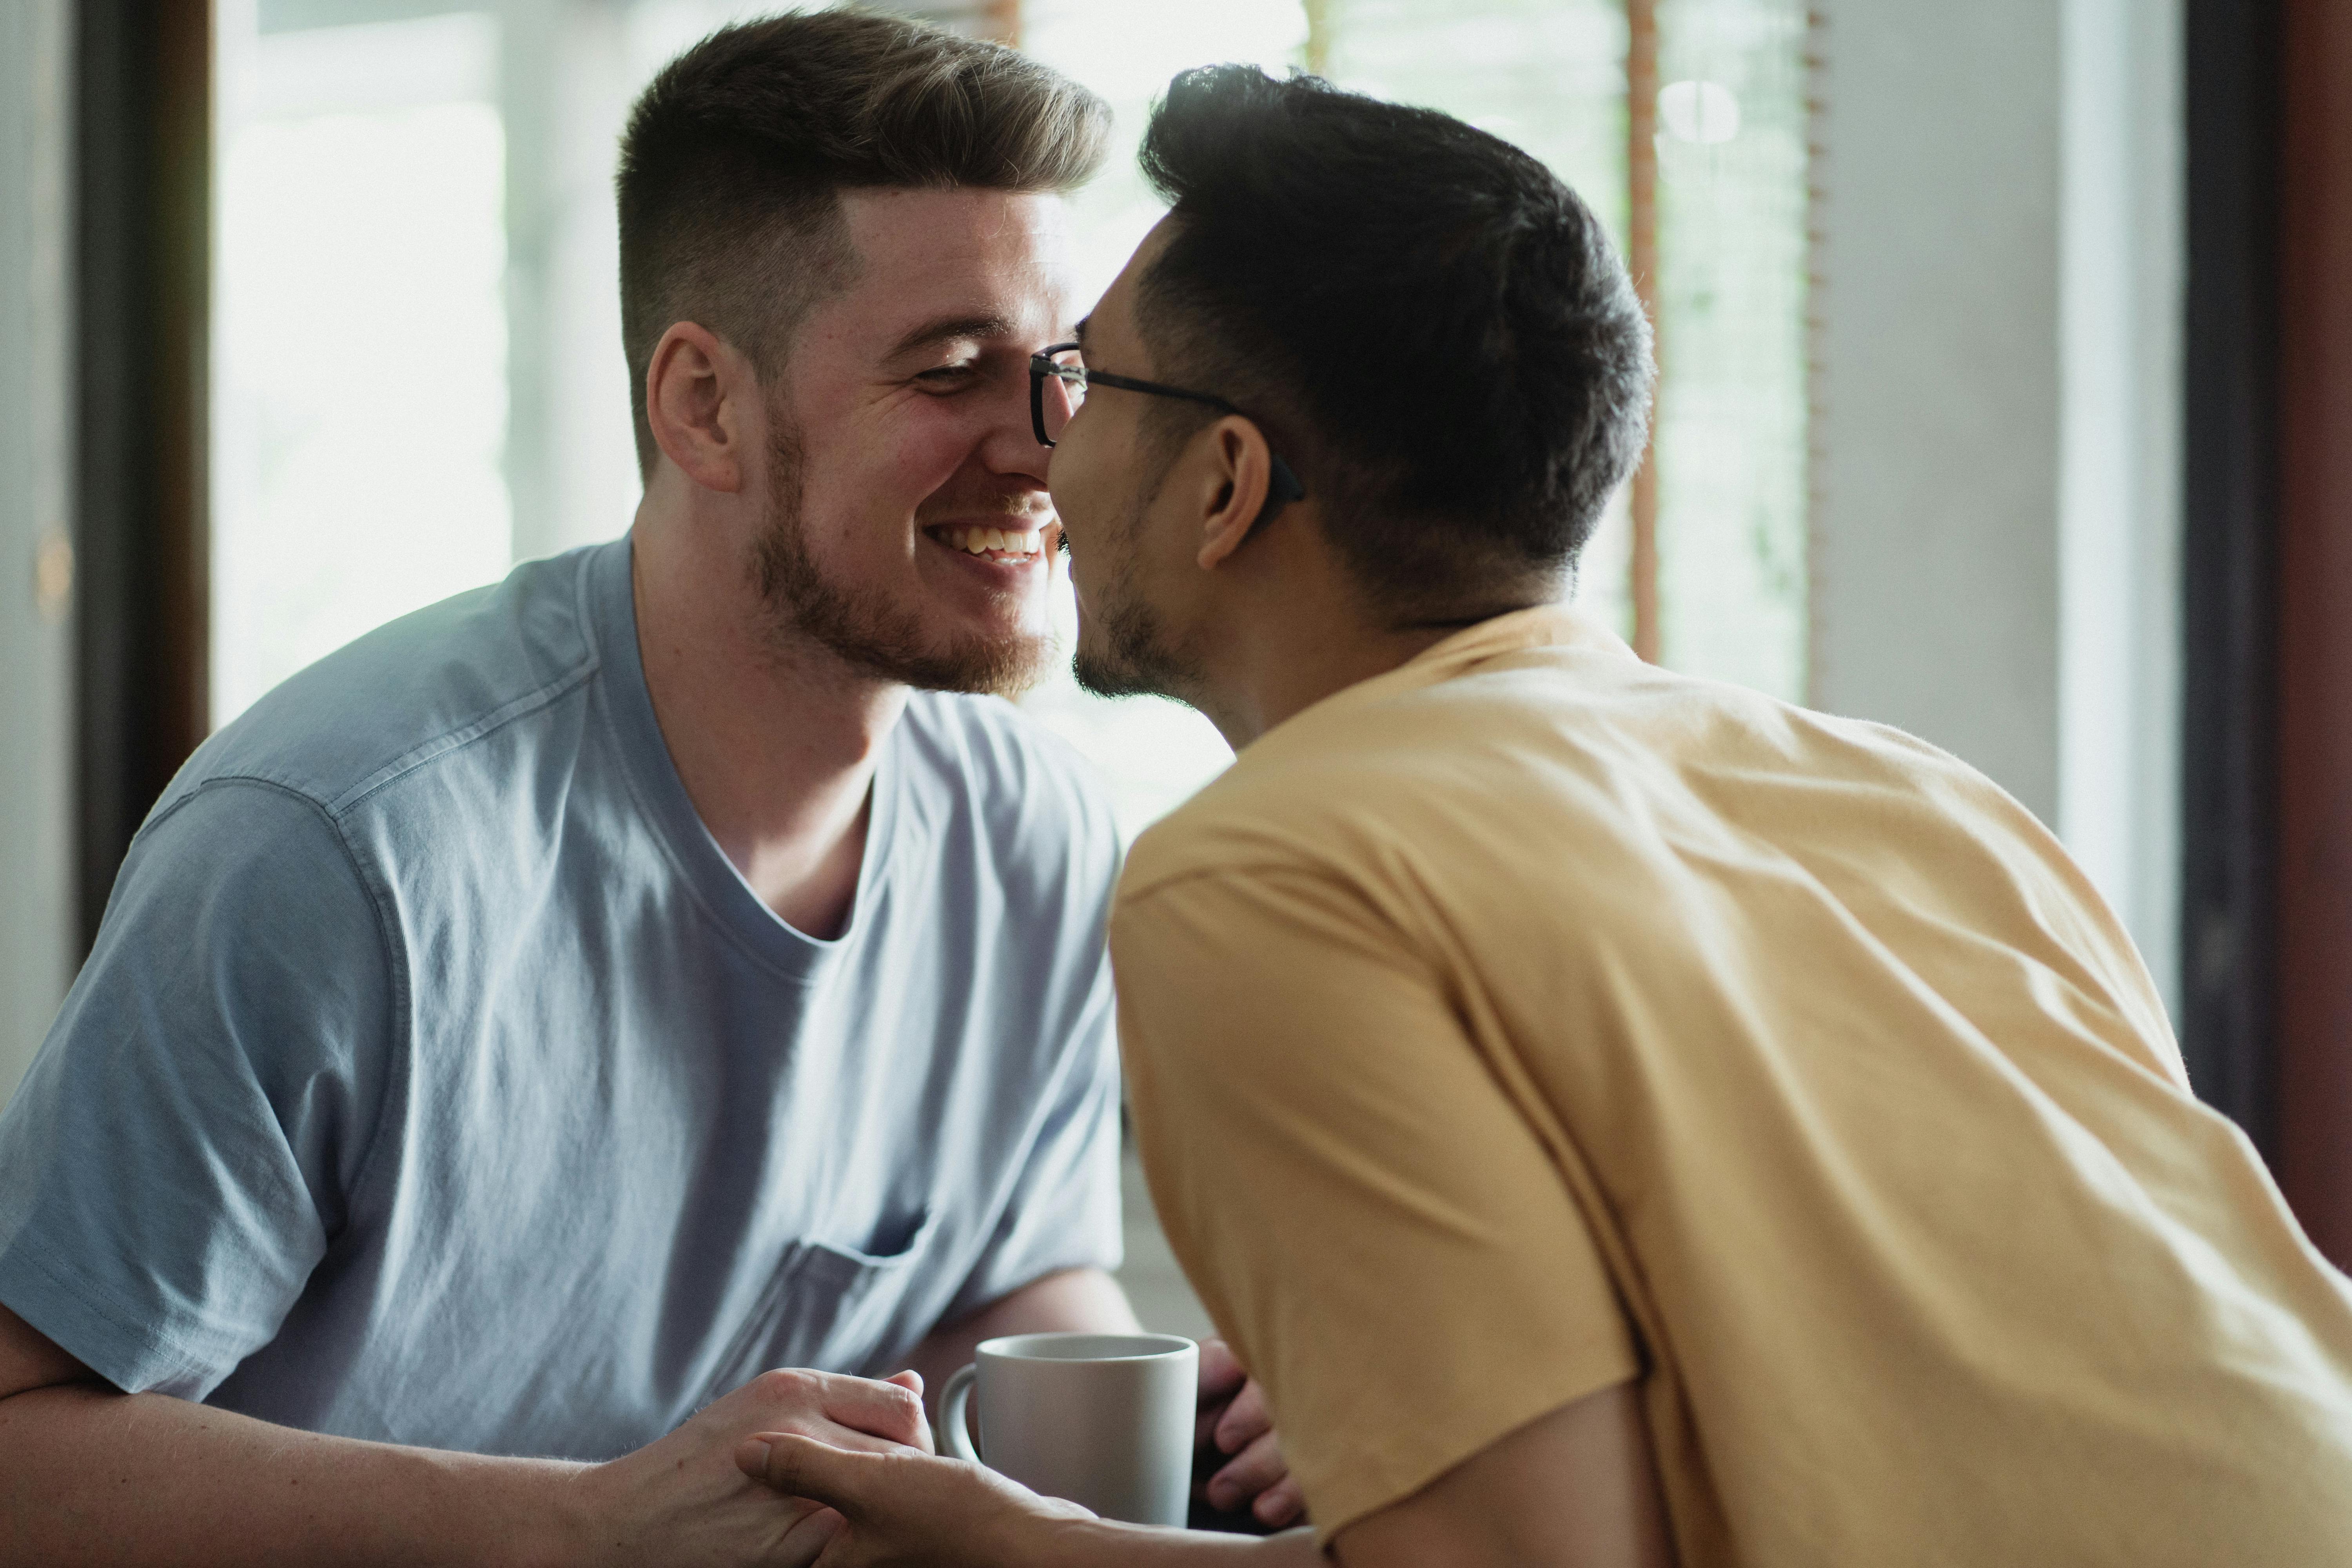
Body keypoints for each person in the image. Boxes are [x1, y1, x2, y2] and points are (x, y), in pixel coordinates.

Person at [737, 64, 2352, 1568]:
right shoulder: (1916, 794)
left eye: (1082, 381)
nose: (1039, 449)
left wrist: (1006, 1540)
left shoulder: (1268, 874)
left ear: (1229, 485)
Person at [0, 18, 1294, 1563]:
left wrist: (1186, 1415)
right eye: (953, 371)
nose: (1049, 453)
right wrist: (587, 1528)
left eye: (1061, 372)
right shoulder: (334, 857)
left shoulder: (1044, 837)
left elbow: (995, 1292)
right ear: (704, 409)